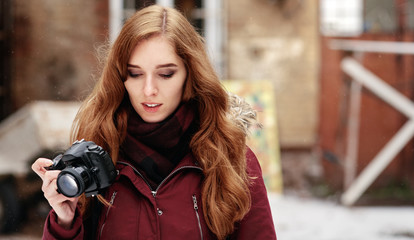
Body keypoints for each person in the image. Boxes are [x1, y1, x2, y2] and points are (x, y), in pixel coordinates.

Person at [32, 4, 276, 240]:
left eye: (166, 74)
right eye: (135, 73)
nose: (149, 90)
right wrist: (64, 223)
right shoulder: (95, 157)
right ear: (120, 77)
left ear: (190, 75)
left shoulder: (232, 159)